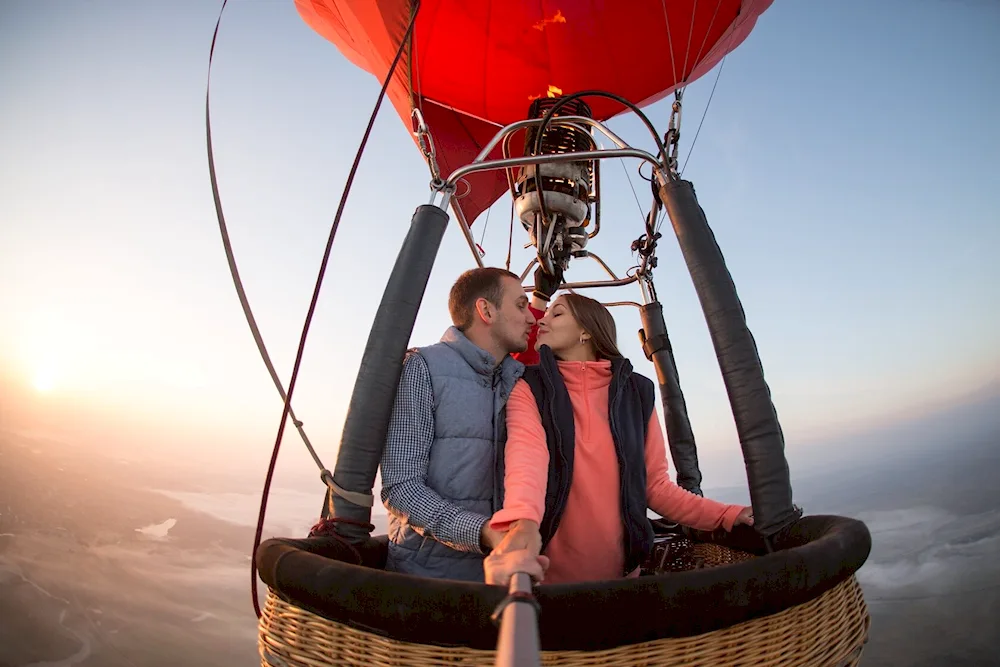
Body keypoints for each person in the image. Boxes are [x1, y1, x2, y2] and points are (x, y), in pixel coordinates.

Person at [487, 293, 754, 586]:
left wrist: (729, 514)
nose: (542, 321)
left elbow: (656, 486)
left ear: (586, 331)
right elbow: (527, 459)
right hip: (549, 581)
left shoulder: (637, 392)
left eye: (557, 314)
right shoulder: (529, 386)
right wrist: (522, 524)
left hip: (623, 578)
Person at [379, 267, 538, 582]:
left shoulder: (517, 381)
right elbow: (401, 486)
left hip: (499, 576)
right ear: (486, 310)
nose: (532, 318)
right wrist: (481, 532)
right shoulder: (423, 368)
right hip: (427, 582)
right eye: (521, 305)